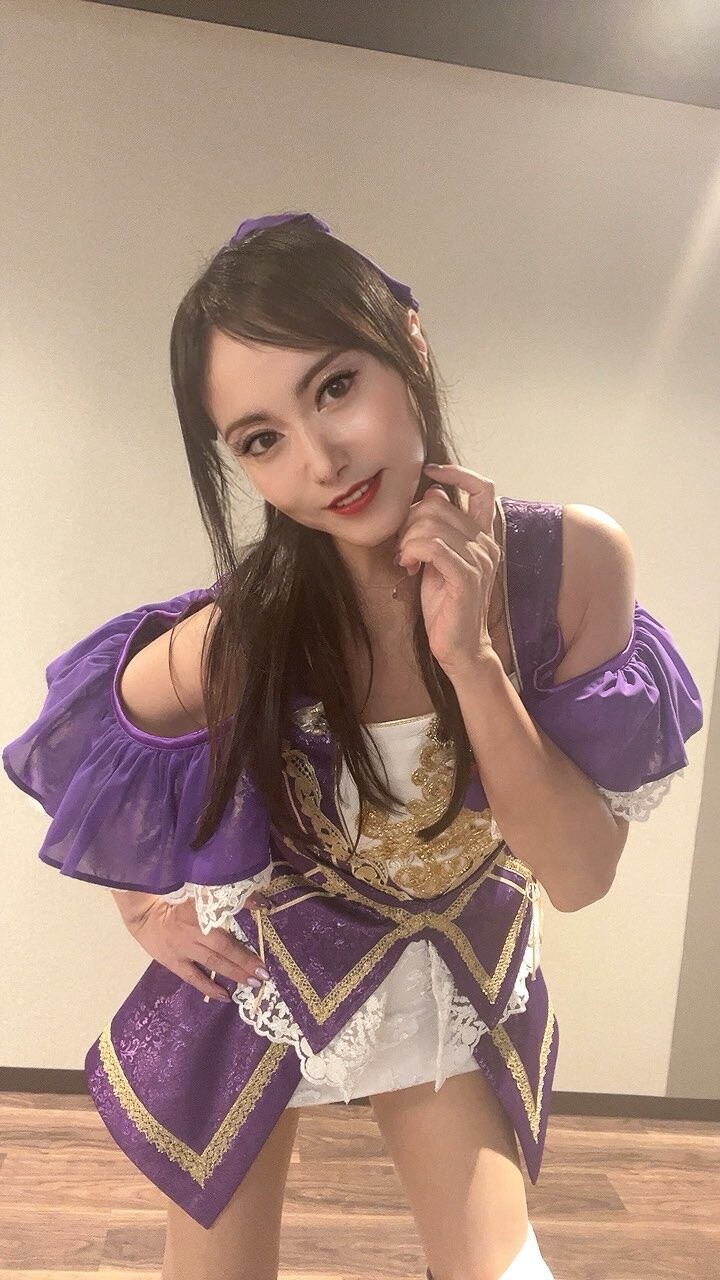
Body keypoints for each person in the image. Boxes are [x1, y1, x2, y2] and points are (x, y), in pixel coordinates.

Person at [3, 211, 703, 1280]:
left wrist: (473, 657)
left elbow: (577, 873)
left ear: (407, 339)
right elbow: (99, 729)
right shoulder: (248, 633)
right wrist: (145, 907)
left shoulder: (570, 567)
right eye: (262, 440)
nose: (322, 460)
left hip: (454, 957)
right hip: (272, 970)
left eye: (335, 386)